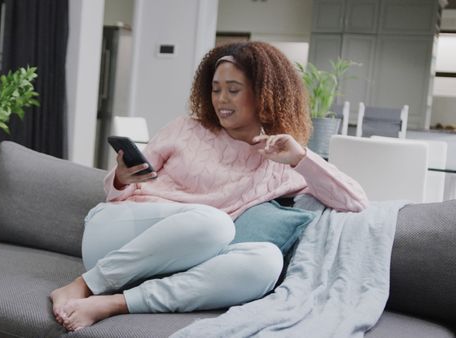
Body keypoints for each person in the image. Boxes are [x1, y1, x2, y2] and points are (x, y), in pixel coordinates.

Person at [50, 41, 368, 332]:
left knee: (267, 260)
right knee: (216, 223)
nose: (221, 100)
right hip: (115, 235)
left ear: (264, 94)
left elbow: (355, 200)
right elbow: (114, 193)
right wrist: (121, 177)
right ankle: (85, 284)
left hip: (176, 261)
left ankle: (117, 302)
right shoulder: (185, 129)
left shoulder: (280, 163)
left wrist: (300, 156)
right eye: (216, 89)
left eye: (233, 89)